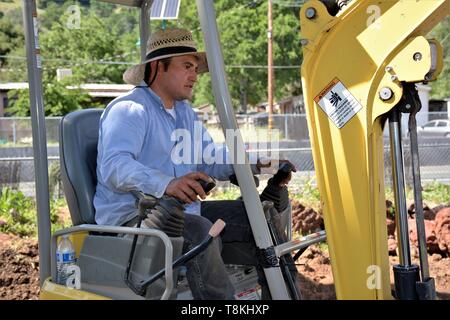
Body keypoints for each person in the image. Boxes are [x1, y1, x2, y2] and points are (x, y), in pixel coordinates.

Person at [94, 28, 295, 300]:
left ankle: (286, 295)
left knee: (259, 217)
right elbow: (114, 166)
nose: (194, 76)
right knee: (199, 230)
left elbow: (209, 157)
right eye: (187, 66)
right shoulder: (129, 110)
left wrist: (258, 164)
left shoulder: (184, 113)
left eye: (196, 69)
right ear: (157, 68)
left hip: (185, 213)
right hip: (133, 220)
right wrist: (166, 184)